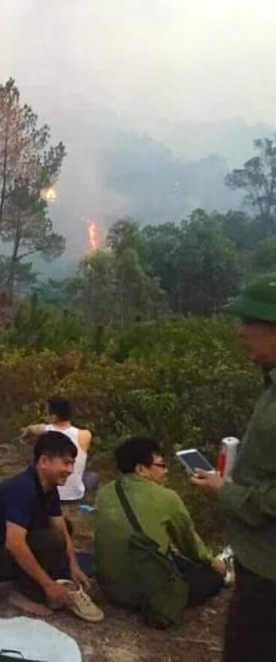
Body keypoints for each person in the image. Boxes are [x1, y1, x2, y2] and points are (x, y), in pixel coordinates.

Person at [190, 273, 276, 660]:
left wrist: (227, 491)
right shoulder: (270, 383)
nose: (240, 331)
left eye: (249, 322)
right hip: (257, 560)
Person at [95, 437, 225, 624]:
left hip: (109, 588)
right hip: (146, 594)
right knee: (213, 578)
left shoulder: (105, 492)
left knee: (175, 560)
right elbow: (189, 544)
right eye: (161, 465)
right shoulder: (167, 497)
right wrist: (212, 562)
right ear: (141, 469)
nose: (166, 471)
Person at [0, 432, 96, 619]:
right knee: (52, 540)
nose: (70, 470)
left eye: (72, 464)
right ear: (44, 461)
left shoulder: (49, 486)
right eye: (66, 463)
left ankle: (42, 580)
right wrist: (48, 585)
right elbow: (15, 544)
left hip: (9, 544)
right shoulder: (23, 489)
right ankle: (23, 594)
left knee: (63, 529)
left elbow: (60, 526)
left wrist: (74, 566)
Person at [20, 396, 98, 502]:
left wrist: (26, 432)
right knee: (92, 476)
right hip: (75, 496)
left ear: (54, 417)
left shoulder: (46, 430)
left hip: (47, 493)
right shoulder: (85, 435)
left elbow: (33, 428)